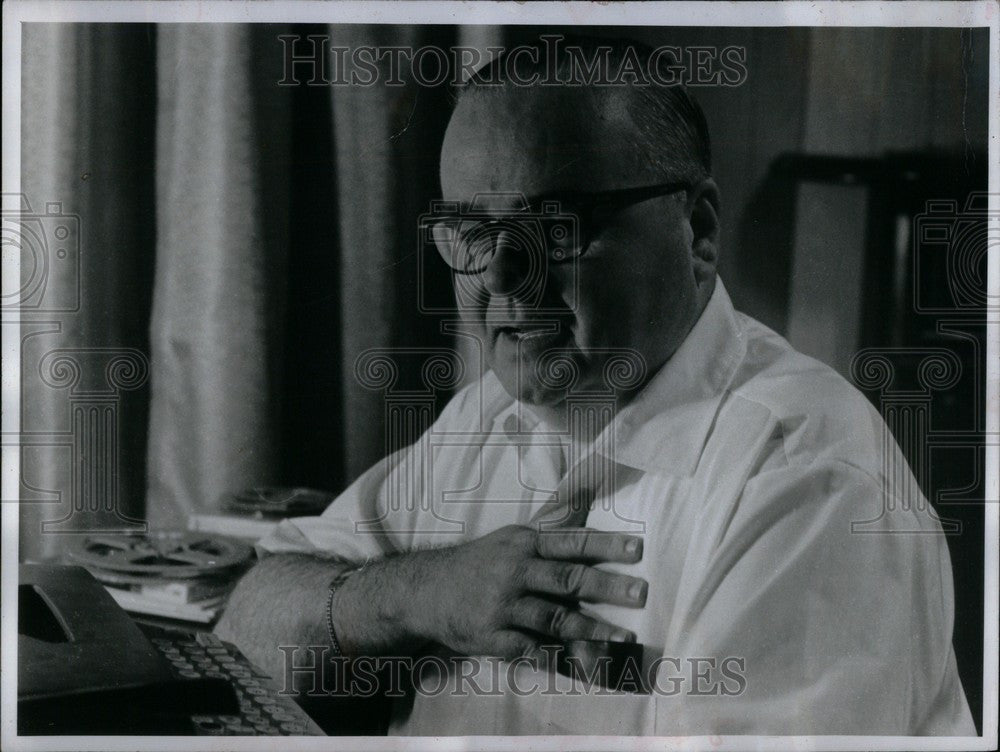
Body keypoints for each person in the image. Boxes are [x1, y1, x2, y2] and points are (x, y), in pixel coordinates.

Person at [216, 36, 975, 735]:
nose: (503, 276)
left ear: (698, 232)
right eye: (472, 235)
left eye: (555, 227)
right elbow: (247, 627)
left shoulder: (809, 480)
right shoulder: (487, 416)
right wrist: (420, 594)